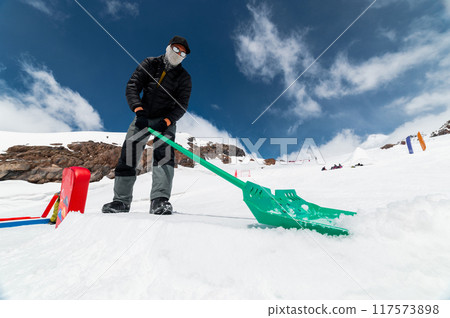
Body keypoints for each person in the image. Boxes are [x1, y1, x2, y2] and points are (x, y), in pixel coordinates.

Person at [102, 36, 192, 215]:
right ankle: (121, 201)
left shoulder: (184, 77)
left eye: (183, 53)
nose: (179, 54)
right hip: (143, 116)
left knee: (164, 156)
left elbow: (182, 104)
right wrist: (138, 110)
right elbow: (133, 86)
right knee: (129, 155)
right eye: (176, 49)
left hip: (165, 121)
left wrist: (166, 122)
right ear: (168, 48)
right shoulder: (151, 64)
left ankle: (160, 201)